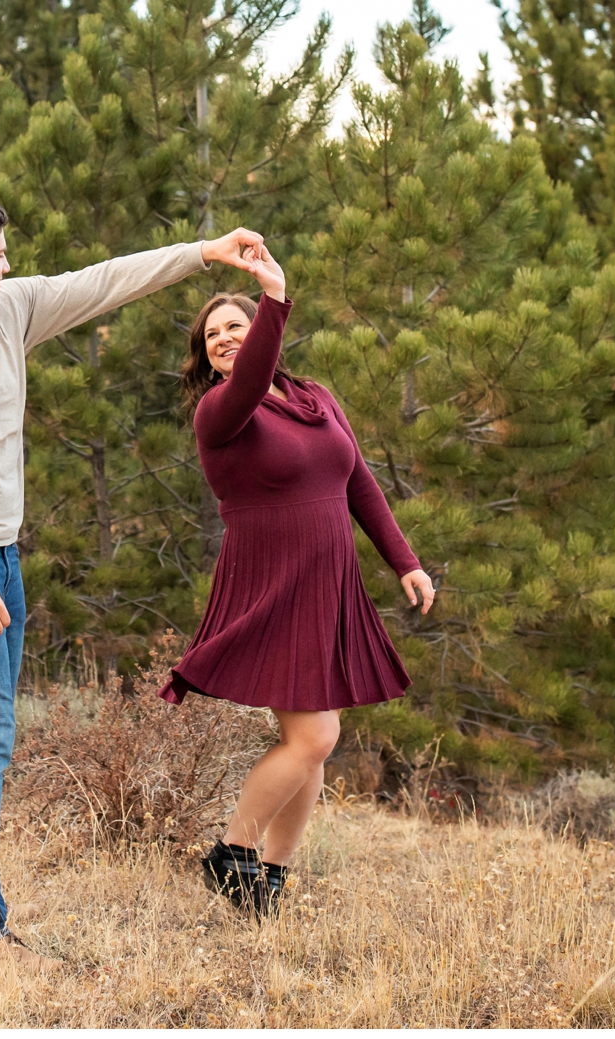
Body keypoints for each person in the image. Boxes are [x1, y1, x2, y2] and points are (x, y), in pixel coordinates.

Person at [0, 194, 274, 966]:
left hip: (0, 558)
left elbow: (102, 281)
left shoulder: (5, 312)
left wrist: (203, 252)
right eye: (1, 252)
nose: (10, 263)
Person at [163, 238, 439, 915]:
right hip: (273, 581)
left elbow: (359, 482)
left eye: (237, 325)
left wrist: (404, 559)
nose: (225, 337)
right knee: (315, 736)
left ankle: (271, 880)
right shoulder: (221, 412)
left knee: (310, 746)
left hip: (328, 582)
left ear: (260, 333)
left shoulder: (316, 397)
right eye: (213, 334)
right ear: (205, 355)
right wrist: (274, 298)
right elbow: (253, 378)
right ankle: (232, 853)